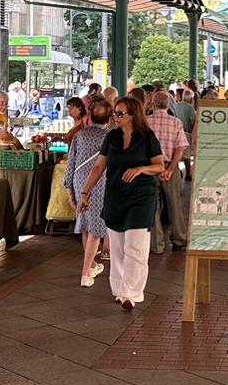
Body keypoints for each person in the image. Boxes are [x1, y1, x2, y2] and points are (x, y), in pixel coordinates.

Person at [78, 94, 165, 309]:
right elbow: (99, 166)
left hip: (141, 197)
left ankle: (131, 293)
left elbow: (159, 165)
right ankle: (119, 290)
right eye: (114, 113)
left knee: (136, 247)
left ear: (133, 115)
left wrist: (141, 169)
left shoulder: (147, 137)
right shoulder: (112, 137)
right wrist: (85, 193)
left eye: (119, 113)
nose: (115, 117)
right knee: (117, 247)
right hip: (115, 196)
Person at [62, 96, 109, 287]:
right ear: (109, 117)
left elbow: (71, 162)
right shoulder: (110, 136)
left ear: (90, 115)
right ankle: (86, 272)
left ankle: (92, 265)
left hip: (80, 181)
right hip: (100, 182)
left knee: (85, 224)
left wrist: (69, 188)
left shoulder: (80, 135)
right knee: (96, 227)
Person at [147, 89, 189, 253]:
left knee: (153, 206)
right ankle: (179, 239)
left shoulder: (145, 122)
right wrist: (171, 169)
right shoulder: (176, 123)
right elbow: (181, 148)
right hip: (170, 166)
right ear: (169, 104)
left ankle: (156, 245)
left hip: (150, 168)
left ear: (153, 104)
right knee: (175, 205)